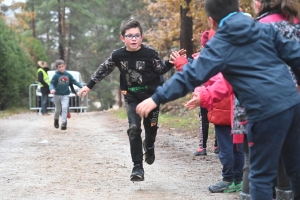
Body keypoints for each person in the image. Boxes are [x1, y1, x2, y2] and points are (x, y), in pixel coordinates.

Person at [136, 0, 300, 199]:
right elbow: (294, 55)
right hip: (293, 104)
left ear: (211, 21)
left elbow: (190, 75)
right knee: (295, 168)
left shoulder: (221, 43)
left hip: (265, 111)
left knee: (261, 176)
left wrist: (156, 98)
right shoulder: (262, 29)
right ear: (239, 10)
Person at [77, 19, 174, 182]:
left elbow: (160, 68)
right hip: (132, 98)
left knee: (151, 130)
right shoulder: (118, 55)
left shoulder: (150, 53)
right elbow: (104, 69)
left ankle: (149, 147)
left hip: (152, 98)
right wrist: (89, 86)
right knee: (134, 128)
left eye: (137, 35)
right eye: (130, 36)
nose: (134, 39)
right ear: (123, 38)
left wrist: (170, 62)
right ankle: (137, 167)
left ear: (142, 37)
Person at [172, 29, 244, 193]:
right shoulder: (240, 57)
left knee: (226, 150)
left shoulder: (218, 62)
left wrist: (182, 64)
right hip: (240, 113)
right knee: (237, 148)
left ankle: (228, 179)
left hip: (223, 112)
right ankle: (238, 180)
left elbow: (201, 75)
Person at [50, 59, 82, 130]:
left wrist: (82, 86)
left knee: (64, 108)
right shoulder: (56, 75)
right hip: (57, 94)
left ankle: (64, 123)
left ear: (65, 66)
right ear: (57, 68)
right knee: (58, 109)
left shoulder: (68, 75)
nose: (61, 68)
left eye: (62, 66)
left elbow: (74, 82)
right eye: (59, 67)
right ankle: (56, 119)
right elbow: (51, 83)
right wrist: (52, 89)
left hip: (65, 94)